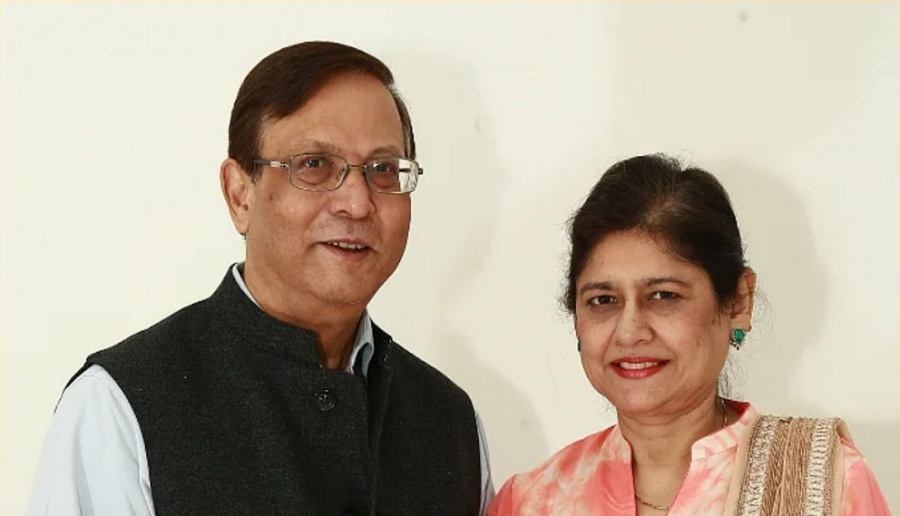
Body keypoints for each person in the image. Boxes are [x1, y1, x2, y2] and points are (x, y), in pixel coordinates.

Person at [28, 41, 493, 516]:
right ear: (239, 194)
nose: (357, 203)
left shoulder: (450, 422)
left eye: (384, 169)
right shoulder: (120, 407)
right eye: (315, 165)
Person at [488, 154, 890, 516]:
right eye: (603, 300)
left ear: (738, 302)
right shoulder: (532, 502)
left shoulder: (825, 486)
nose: (629, 331)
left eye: (664, 296)